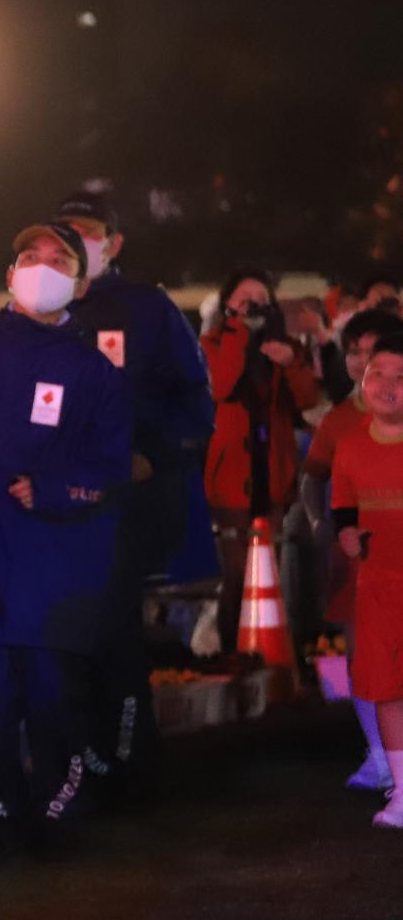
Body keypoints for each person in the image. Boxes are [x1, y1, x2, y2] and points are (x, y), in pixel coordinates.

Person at [0, 224, 131, 856]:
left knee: (51, 691)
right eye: (29, 257)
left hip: (53, 559)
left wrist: (53, 490)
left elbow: (112, 463)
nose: (41, 267)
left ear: (79, 280)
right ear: (10, 271)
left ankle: (57, 811)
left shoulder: (90, 367)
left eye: (59, 260)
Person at [57, 191, 216, 802]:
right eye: (62, 231)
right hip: (48, 513)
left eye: (87, 231)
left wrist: (152, 455)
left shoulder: (145, 307)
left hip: (120, 509)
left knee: (114, 637)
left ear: (113, 243)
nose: (74, 241)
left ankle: (124, 765)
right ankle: (71, 764)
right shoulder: (32, 317)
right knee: (61, 642)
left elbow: (194, 402)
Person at [302, 309, 403, 790]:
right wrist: (328, 524)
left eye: (376, 353)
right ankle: (383, 758)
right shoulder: (342, 426)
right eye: (360, 357)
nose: (370, 367)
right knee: (368, 662)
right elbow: (321, 482)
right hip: (366, 570)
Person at [202, 269, 320, 655]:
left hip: (273, 472)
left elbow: (305, 400)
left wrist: (289, 361)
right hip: (232, 475)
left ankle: (271, 655)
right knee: (238, 574)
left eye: (260, 299)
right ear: (226, 304)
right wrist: (238, 332)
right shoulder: (212, 342)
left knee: (270, 568)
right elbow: (219, 385)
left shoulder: (284, 347)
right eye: (244, 299)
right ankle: (234, 656)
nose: (253, 306)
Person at [331, 333, 403, 827]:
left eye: (402, 378)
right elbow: (342, 507)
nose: (388, 386)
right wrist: (346, 535)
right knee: (385, 689)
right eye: (378, 373)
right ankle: (402, 796)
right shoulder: (351, 445)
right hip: (377, 586)